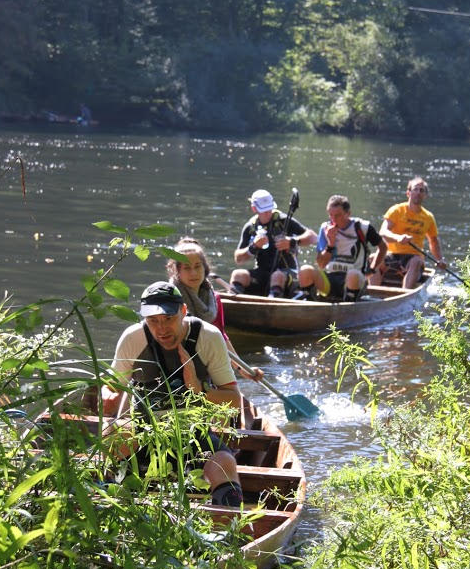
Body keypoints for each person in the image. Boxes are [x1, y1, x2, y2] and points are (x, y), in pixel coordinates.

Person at [101, 281, 244, 508]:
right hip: (145, 435)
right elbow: (110, 386)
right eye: (153, 321)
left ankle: (227, 533)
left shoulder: (208, 337)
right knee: (112, 434)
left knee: (225, 462)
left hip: (194, 439)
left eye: (169, 319)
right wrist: (107, 395)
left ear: (184, 312)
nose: (161, 329)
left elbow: (234, 400)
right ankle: (108, 505)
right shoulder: (133, 339)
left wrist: (199, 388)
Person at [167, 237, 263, 381]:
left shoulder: (214, 299)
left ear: (205, 268)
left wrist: (242, 369)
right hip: (175, 368)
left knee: (244, 403)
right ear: (176, 271)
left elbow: (221, 338)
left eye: (197, 266)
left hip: (208, 364)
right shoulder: (170, 297)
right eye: (187, 268)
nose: (193, 273)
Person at [297, 194, 387, 302]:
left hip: (354, 279)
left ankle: (347, 308)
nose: (333, 219)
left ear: (348, 214)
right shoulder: (325, 228)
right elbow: (321, 264)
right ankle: (313, 308)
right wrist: (330, 244)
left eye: (338, 215)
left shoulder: (363, 227)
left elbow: (383, 248)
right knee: (304, 271)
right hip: (331, 279)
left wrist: (372, 270)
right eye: (331, 215)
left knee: (352, 274)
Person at [230, 189, 317, 298]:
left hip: (289, 273)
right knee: (238, 275)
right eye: (264, 210)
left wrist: (292, 241)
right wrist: (254, 247)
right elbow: (239, 259)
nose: (268, 213)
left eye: (269, 209)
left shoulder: (283, 220)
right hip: (263, 273)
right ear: (254, 209)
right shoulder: (250, 227)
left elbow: (313, 237)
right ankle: (233, 302)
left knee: (277, 276)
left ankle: (272, 304)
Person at [368, 176, 447, 289]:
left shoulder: (428, 217)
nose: (418, 193)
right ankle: (373, 294)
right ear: (408, 193)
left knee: (416, 261)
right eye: (415, 189)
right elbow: (383, 232)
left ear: (425, 195)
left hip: (413, 258)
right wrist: (398, 238)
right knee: (372, 258)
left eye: (421, 190)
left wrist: (440, 259)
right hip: (392, 256)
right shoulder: (396, 210)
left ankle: (405, 295)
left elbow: (433, 240)